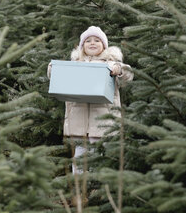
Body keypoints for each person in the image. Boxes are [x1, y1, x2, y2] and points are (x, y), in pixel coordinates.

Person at [48, 26, 133, 174]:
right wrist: (52, 68)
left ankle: (96, 187)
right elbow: (56, 74)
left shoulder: (110, 64)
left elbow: (127, 73)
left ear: (104, 46)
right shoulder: (76, 65)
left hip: (102, 121)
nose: (92, 43)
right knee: (80, 153)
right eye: (88, 41)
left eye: (97, 40)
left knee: (98, 153)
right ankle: (79, 187)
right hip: (79, 120)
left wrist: (118, 69)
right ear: (82, 46)